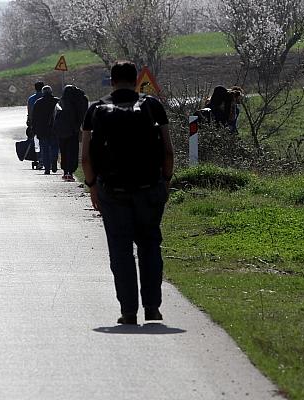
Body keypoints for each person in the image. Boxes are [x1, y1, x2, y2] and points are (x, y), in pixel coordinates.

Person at [81, 60, 174, 325]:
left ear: (111, 81)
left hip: (112, 190)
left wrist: (92, 186)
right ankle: (153, 307)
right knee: (150, 245)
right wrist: (165, 181)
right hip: (148, 188)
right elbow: (167, 150)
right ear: (136, 81)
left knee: (120, 251)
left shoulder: (96, 110)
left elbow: (85, 157)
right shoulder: (153, 107)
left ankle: (128, 311)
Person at [53, 85, 88, 182]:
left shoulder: (61, 102)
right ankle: (70, 172)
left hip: (61, 131)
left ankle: (65, 172)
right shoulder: (79, 101)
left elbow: (55, 117)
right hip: (73, 131)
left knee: (64, 151)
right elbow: (82, 116)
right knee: (72, 151)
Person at [31, 86, 59, 174]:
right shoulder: (56, 101)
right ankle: (54, 160)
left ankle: (47, 169)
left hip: (42, 130)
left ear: (43, 93)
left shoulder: (38, 103)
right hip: (54, 129)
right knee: (54, 147)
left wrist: (34, 130)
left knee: (45, 149)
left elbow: (34, 118)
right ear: (51, 92)